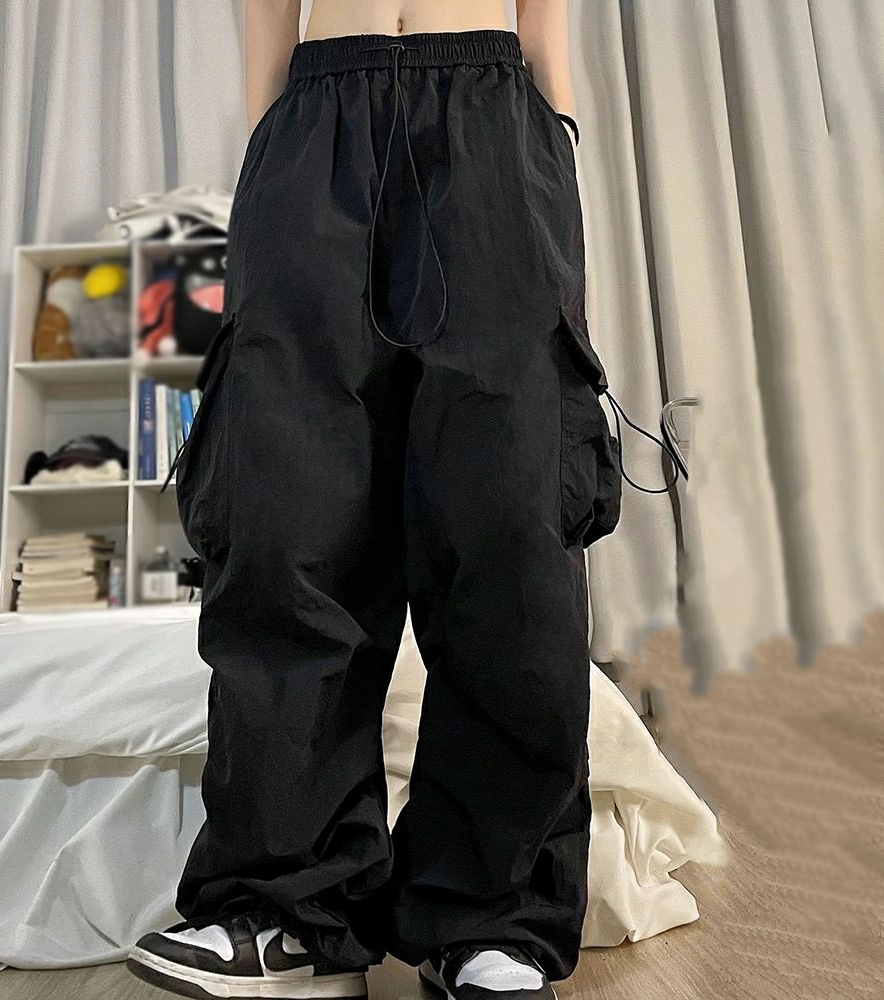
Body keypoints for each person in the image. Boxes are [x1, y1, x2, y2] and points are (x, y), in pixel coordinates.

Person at [127, 2, 648, 998]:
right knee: (288, 522)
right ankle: (289, 914)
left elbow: (545, 22)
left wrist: (551, 157)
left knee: (507, 527)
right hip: (312, 125)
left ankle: (492, 916)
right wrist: (270, 155)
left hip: (494, 124)